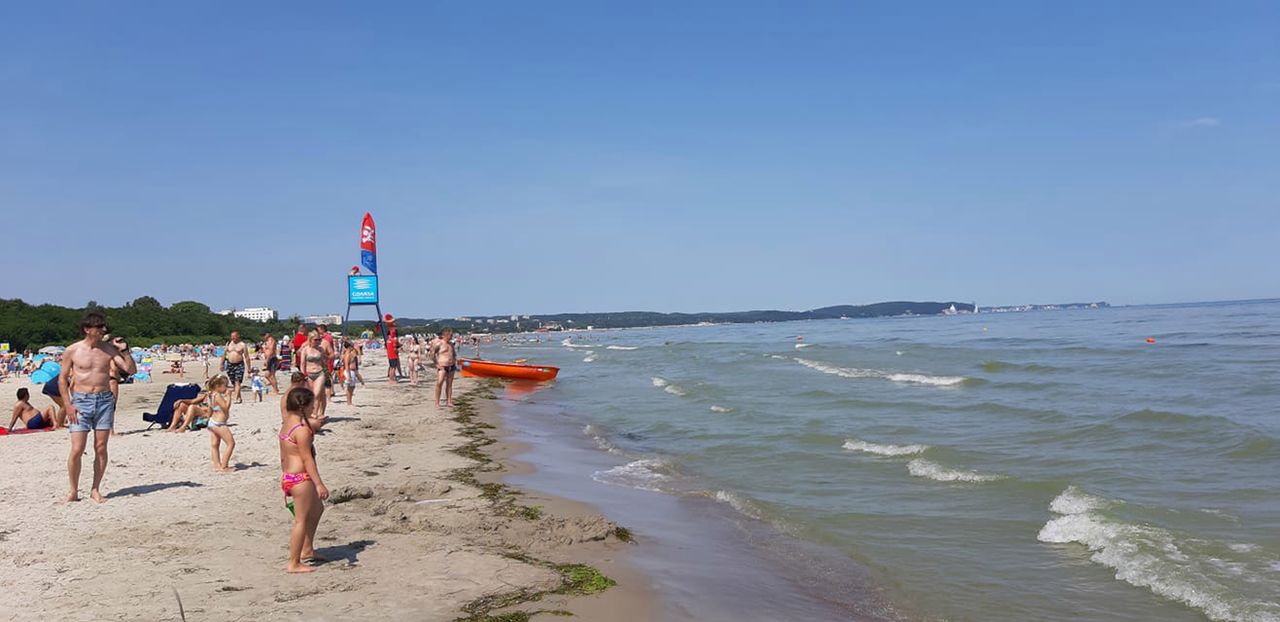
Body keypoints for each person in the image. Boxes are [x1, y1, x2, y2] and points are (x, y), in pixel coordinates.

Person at [59, 311, 137, 503]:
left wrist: (125, 351)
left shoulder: (109, 350)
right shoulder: (73, 350)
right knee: (77, 448)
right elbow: (62, 378)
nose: (103, 330)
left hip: (103, 400)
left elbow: (130, 370)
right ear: (87, 329)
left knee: (101, 447)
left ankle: (95, 489)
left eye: (104, 327)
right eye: (99, 327)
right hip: (81, 401)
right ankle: (73, 490)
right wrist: (68, 405)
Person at [279, 387, 328, 573]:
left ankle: (307, 549)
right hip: (301, 478)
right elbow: (307, 459)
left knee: (317, 509)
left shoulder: (286, 424)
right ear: (303, 407)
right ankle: (293, 562)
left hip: (289, 476)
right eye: (311, 406)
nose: (313, 410)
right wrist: (319, 484)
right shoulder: (301, 431)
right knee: (301, 520)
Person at [296, 331, 331, 422]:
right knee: (313, 395)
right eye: (316, 340)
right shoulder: (305, 350)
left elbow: (324, 361)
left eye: (319, 339)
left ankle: (314, 414)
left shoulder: (321, 349)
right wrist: (304, 375)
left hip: (320, 373)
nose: (318, 341)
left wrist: (328, 359)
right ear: (310, 340)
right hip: (309, 374)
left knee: (316, 394)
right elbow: (302, 364)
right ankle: (315, 413)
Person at [205, 376, 235, 472]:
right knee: (231, 443)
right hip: (219, 424)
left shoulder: (210, 395)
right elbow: (226, 407)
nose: (226, 388)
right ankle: (224, 466)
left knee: (215, 444)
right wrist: (229, 396)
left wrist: (207, 418)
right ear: (218, 386)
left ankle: (217, 465)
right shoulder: (217, 395)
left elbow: (209, 409)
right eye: (225, 386)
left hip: (212, 422)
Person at [219, 331, 250, 404]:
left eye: (234, 336)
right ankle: (239, 397)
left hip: (239, 364)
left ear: (238, 336)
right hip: (230, 364)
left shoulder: (242, 345)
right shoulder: (228, 344)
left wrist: (249, 368)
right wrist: (221, 364)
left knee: (237, 382)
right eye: (231, 336)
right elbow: (224, 355)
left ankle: (236, 398)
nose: (232, 337)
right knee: (233, 382)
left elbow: (247, 357)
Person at [431, 327, 458, 408]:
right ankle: (437, 402)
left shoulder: (451, 344)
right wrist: (436, 364)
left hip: (451, 366)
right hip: (442, 366)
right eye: (451, 335)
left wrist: (455, 361)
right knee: (439, 383)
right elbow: (432, 355)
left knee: (449, 384)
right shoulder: (439, 344)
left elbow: (454, 354)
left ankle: (449, 401)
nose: (452, 336)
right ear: (446, 334)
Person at [340, 340, 360, 405]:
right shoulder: (347, 355)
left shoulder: (351, 353)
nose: (353, 347)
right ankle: (349, 402)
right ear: (349, 347)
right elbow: (346, 365)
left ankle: (350, 401)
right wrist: (348, 376)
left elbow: (357, 352)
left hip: (352, 371)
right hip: (349, 372)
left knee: (352, 387)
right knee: (349, 388)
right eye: (352, 346)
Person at [384, 315, 399, 384]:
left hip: (389, 355)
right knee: (393, 367)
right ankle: (392, 379)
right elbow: (395, 348)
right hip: (393, 355)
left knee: (391, 367)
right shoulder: (393, 340)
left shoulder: (388, 340)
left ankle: (391, 379)